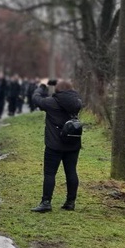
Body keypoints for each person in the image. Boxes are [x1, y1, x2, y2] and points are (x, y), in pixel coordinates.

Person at [30, 79, 83, 213]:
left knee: (49, 173)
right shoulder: (77, 102)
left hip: (54, 144)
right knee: (71, 172)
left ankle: (46, 202)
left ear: (57, 89)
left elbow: (36, 98)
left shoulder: (51, 102)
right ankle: (70, 202)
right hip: (73, 143)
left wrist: (42, 85)